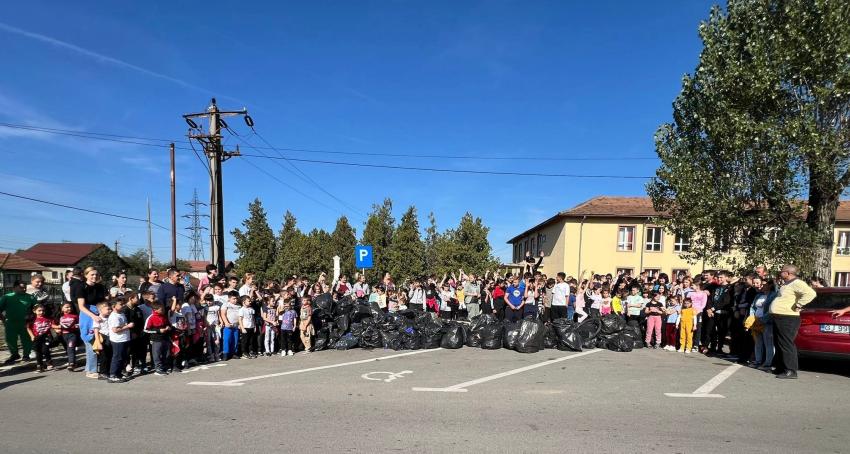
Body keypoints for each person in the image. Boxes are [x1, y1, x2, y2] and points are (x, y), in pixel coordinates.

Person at [769, 265, 816, 379]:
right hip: (779, 316)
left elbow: (811, 293)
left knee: (786, 343)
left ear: (788, 273)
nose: (780, 273)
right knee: (778, 343)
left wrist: (799, 304)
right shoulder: (787, 283)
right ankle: (781, 367)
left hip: (788, 317)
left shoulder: (797, 283)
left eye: (782, 271)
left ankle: (791, 370)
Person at [77, 267, 107, 378]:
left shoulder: (100, 287)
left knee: (101, 340)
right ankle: (91, 370)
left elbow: (104, 301)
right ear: (86, 275)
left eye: (96, 274)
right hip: (88, 315)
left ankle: (94, 367)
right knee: (91, 342)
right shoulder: (81, 287)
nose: (95, 276)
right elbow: (81, 306)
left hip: (100, 314)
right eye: (92, 274)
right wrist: (93, 316)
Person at [0, 280, 37, 365]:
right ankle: (14, 354)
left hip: (26, 323)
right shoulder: (7, 297)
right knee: (10, 340)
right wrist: (3, 319)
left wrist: (33, 318)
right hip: (11, 323)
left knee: (26, 340)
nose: (24, 289)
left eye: (25, 287)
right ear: (14, 288)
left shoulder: (30, 297)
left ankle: (26, 355)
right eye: (21, 287)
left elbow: (37, 309)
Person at [750, 277, 776, 371]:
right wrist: (751, 317)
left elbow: (772, 309)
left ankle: (768, 363)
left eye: (764, 284)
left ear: (770, 285)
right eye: (762, 284)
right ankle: (758, 361)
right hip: (756, 321)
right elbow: (753, 307)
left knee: (768, 343)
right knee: (758, 342)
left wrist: (763, 319)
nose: (762, 286)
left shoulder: (774, 295)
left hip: (767, 322)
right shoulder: (759, 295)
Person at [108, 298, 133, 383]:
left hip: (124, 338)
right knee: (117, 357)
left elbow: (122, 325)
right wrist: (127, 326)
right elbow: (115, 330)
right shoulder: (114, 316)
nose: (123, 306)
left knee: (122, 357)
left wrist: (126, 326)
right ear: (113, 306)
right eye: (120, 304)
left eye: (123, 304)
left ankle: (118, 373)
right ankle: (113, 375)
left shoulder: (121, 314)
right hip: (118, 340)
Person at [143, 301, 171, 376]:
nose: (163, 310)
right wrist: (158, 330)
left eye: (163, 309)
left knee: (166, 353)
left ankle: (164, 366)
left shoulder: (164, 316)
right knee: (157, 354)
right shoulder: (151, 318)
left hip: (165, 338)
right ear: (155, 310)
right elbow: (146, 330)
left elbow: (168, 324)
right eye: (161, 309)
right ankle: (158, 368)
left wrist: (168, 327)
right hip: (156, 339)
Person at [27, 304, 53, 373]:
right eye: (39, 311)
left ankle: (49, 363)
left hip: (46, 337)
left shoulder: (47, 319)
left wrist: (57, 329)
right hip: (36, 338)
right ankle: (40, 365)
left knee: (45, 350)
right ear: (34, 311)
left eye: (43, 311)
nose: (41, 312)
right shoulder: (32, 320)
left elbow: (52, 326)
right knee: (38, 352)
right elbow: (28, 328)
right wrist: (32, 336)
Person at [54, 302, 79, 371]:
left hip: (72, 335)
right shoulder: (59, 317)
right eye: (67, 307)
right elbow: (52, 324)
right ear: (62, 308)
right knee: (68, 349)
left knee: (70, 348)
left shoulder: (75, 316)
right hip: (63, 336)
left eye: (70, 307)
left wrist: (76, 326)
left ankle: (71, 363)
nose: (69, 308)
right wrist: (57, 328)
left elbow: (79, 324)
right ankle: (73, 362)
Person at [93, 301, 113, 380]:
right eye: (108, 309)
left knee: (110, 355)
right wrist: (98, 342)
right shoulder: (98, 319)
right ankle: (102, 373)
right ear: (100, 310)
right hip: (102, 338)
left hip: (110, 338)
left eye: (110, 309)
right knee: (104, 357)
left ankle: (109, 371)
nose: (110, 310)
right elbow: (96, 331)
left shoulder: (110, 317)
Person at [220, 291, 241, 360]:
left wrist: (240, 324)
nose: (235, 300)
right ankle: (225, 353)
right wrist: (226, 323)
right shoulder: (225, 304)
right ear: (229, 298)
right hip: (228, 325)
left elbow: (240, 316)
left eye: (236, 298)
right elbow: (223, 314)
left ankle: (234, 353)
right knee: (227, 339)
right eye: (233, 299)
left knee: (235, 340)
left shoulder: (239, 306)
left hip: (236, 325)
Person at [204, 293, 222, 362]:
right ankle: (211, 356)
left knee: (217, 341)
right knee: (208, 341)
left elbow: (219, 315)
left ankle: (217, 355)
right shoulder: (205, 308)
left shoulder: (217, 307)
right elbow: (204, 316)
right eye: (207, 301)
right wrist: (206, 324)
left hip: (216, 326)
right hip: (208, 326)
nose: (208, 302)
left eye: (210, 301)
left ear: (213, 300)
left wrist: (221, 322)